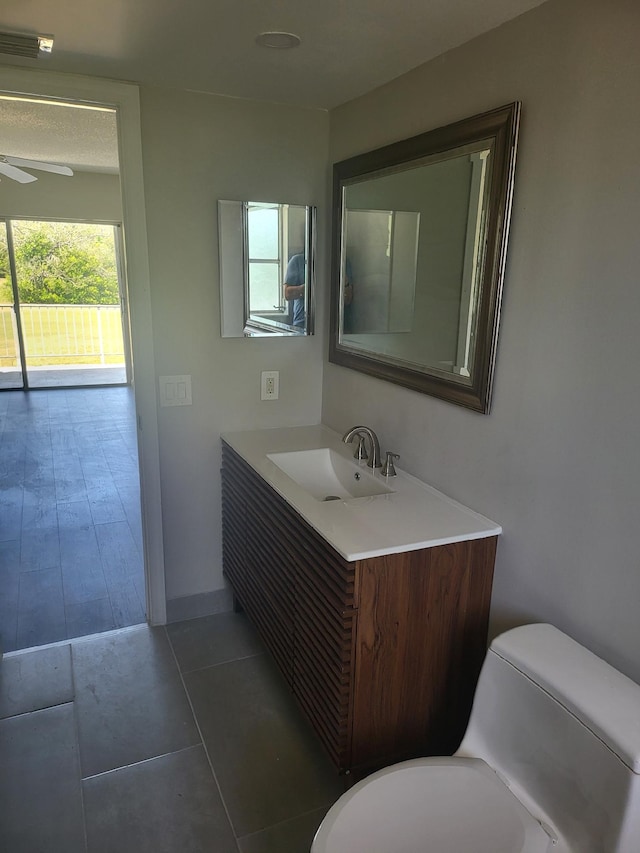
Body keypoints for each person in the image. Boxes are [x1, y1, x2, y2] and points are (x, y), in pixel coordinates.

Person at [283, 253, 306, 330]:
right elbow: (287, 294)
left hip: (336, 324)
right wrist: (311, 288)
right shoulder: (298, 261)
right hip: (302, 323)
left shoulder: (341, 261)